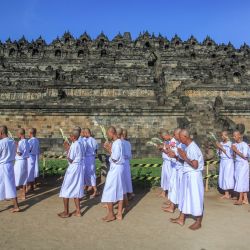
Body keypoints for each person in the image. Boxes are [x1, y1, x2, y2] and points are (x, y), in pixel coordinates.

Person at [171, 129, 204, 230]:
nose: (179, 139)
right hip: (188, 174)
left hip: (193, 176)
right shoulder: (188, 146)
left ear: (185, 137)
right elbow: (186, 161)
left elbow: (195, 165)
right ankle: (181, 218)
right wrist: (177, 157)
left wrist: (184, 156)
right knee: (185, 196)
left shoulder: (193, 148)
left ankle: (198, 221)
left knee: (195, 197)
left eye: (180, 137)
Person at [58, 129, 84, 218]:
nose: (69, 137)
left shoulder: (75, 145)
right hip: (79, 168)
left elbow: (71, 159)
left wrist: (67, 150)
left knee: (66, 189)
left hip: (73, 168)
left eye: (70, 136)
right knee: (76, 188)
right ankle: (78, 211)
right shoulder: (79, 143)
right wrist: (69, 148)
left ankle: (66, 212)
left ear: (73, 137)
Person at [101, 126, 125, 222]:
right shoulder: (118, 143)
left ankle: (111, 214)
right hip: (118, 169)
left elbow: (115, 157)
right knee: (119, 190)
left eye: (108, 134)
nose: (107, 136)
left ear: (112, 133)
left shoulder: (117, 143)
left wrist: (108, 149)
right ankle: (119, 212)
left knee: (109, 190)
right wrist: (110, 148)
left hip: (115, 169)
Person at [162, 128, 186, 213]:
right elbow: (171, 153)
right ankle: (172, 203)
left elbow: (181, 157)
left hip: (179, 168)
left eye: (176, 134)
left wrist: (169, 150)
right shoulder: (175, 142)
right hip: (174, 166)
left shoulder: (182, 144)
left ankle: (173, 206)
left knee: (176, 187)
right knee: (172, 185)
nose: (175, 136)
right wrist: (167, 149)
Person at [0, 125, 20, 212]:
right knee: (11, 185)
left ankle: (16, 206)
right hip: (10, 165)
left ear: (1, 133)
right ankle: (16, 205)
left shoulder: (1, 143)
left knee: (3, 185)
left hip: (3, 165)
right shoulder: (12, 141)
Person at [231, 130, 249, 205]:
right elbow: (234, 156)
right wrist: (234, 151)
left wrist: (235, 150)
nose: (234, 137)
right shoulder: (234, 144)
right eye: (233, 136)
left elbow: (245, 156)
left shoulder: (244, 144)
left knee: (241, 180)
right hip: (237, 164)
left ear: (239, 136)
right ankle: (246, 199)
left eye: (235, 135)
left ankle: (240, 199)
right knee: (240, 180)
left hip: (243, 164)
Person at [215, 131, 234, 199]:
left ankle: (230, 193)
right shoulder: (221, 143)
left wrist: (221, 147)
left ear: (226, 136)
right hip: (223, 161)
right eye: (221, 135)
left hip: (228, 161)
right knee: (223, 176)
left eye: (223, 135)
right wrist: (218, 147)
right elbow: (219, 153)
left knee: (227, 176)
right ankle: (226, 193)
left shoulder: (230, 144)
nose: (222, 137)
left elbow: (230, 155)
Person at [14, 128, 30, 200]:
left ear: (20, 134)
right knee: (23, 178)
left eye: (17, 133)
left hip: (20, 161)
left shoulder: (21, 142)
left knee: (16, 177)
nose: (17, 135)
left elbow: (19, 153)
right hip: (25, 161)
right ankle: (23, 194)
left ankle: (13, 194)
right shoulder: (27, 141)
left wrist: (16, 146)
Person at [83, 128, 99, 197]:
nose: (83, 134)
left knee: (91, 174)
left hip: (90, 158)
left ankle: (95, 190)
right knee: (85, 174)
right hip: (86, 158)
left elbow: (95, 150)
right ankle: (85, 188)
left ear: (87, 133)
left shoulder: (92, 140)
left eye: (84, 133)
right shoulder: (84, 139)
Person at [158, 130, 172, 199]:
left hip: (169, 162)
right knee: (164, 177)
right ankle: (164, 191)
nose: (163, 139)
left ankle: (170, 192)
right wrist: (161, 149)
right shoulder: (166, 141)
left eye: (164, 137)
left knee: (169, 177)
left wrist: (163, 149)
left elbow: (170, 152)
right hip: (165, 162)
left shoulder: (172, 141)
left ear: (167, 135)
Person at [121, 129, 134, 200]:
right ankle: (130, 192)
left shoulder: (120, 142)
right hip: (126, 162)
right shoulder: (128, 143)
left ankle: (126, 193)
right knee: (127, 178)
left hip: (122, 161)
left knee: (123, 178)